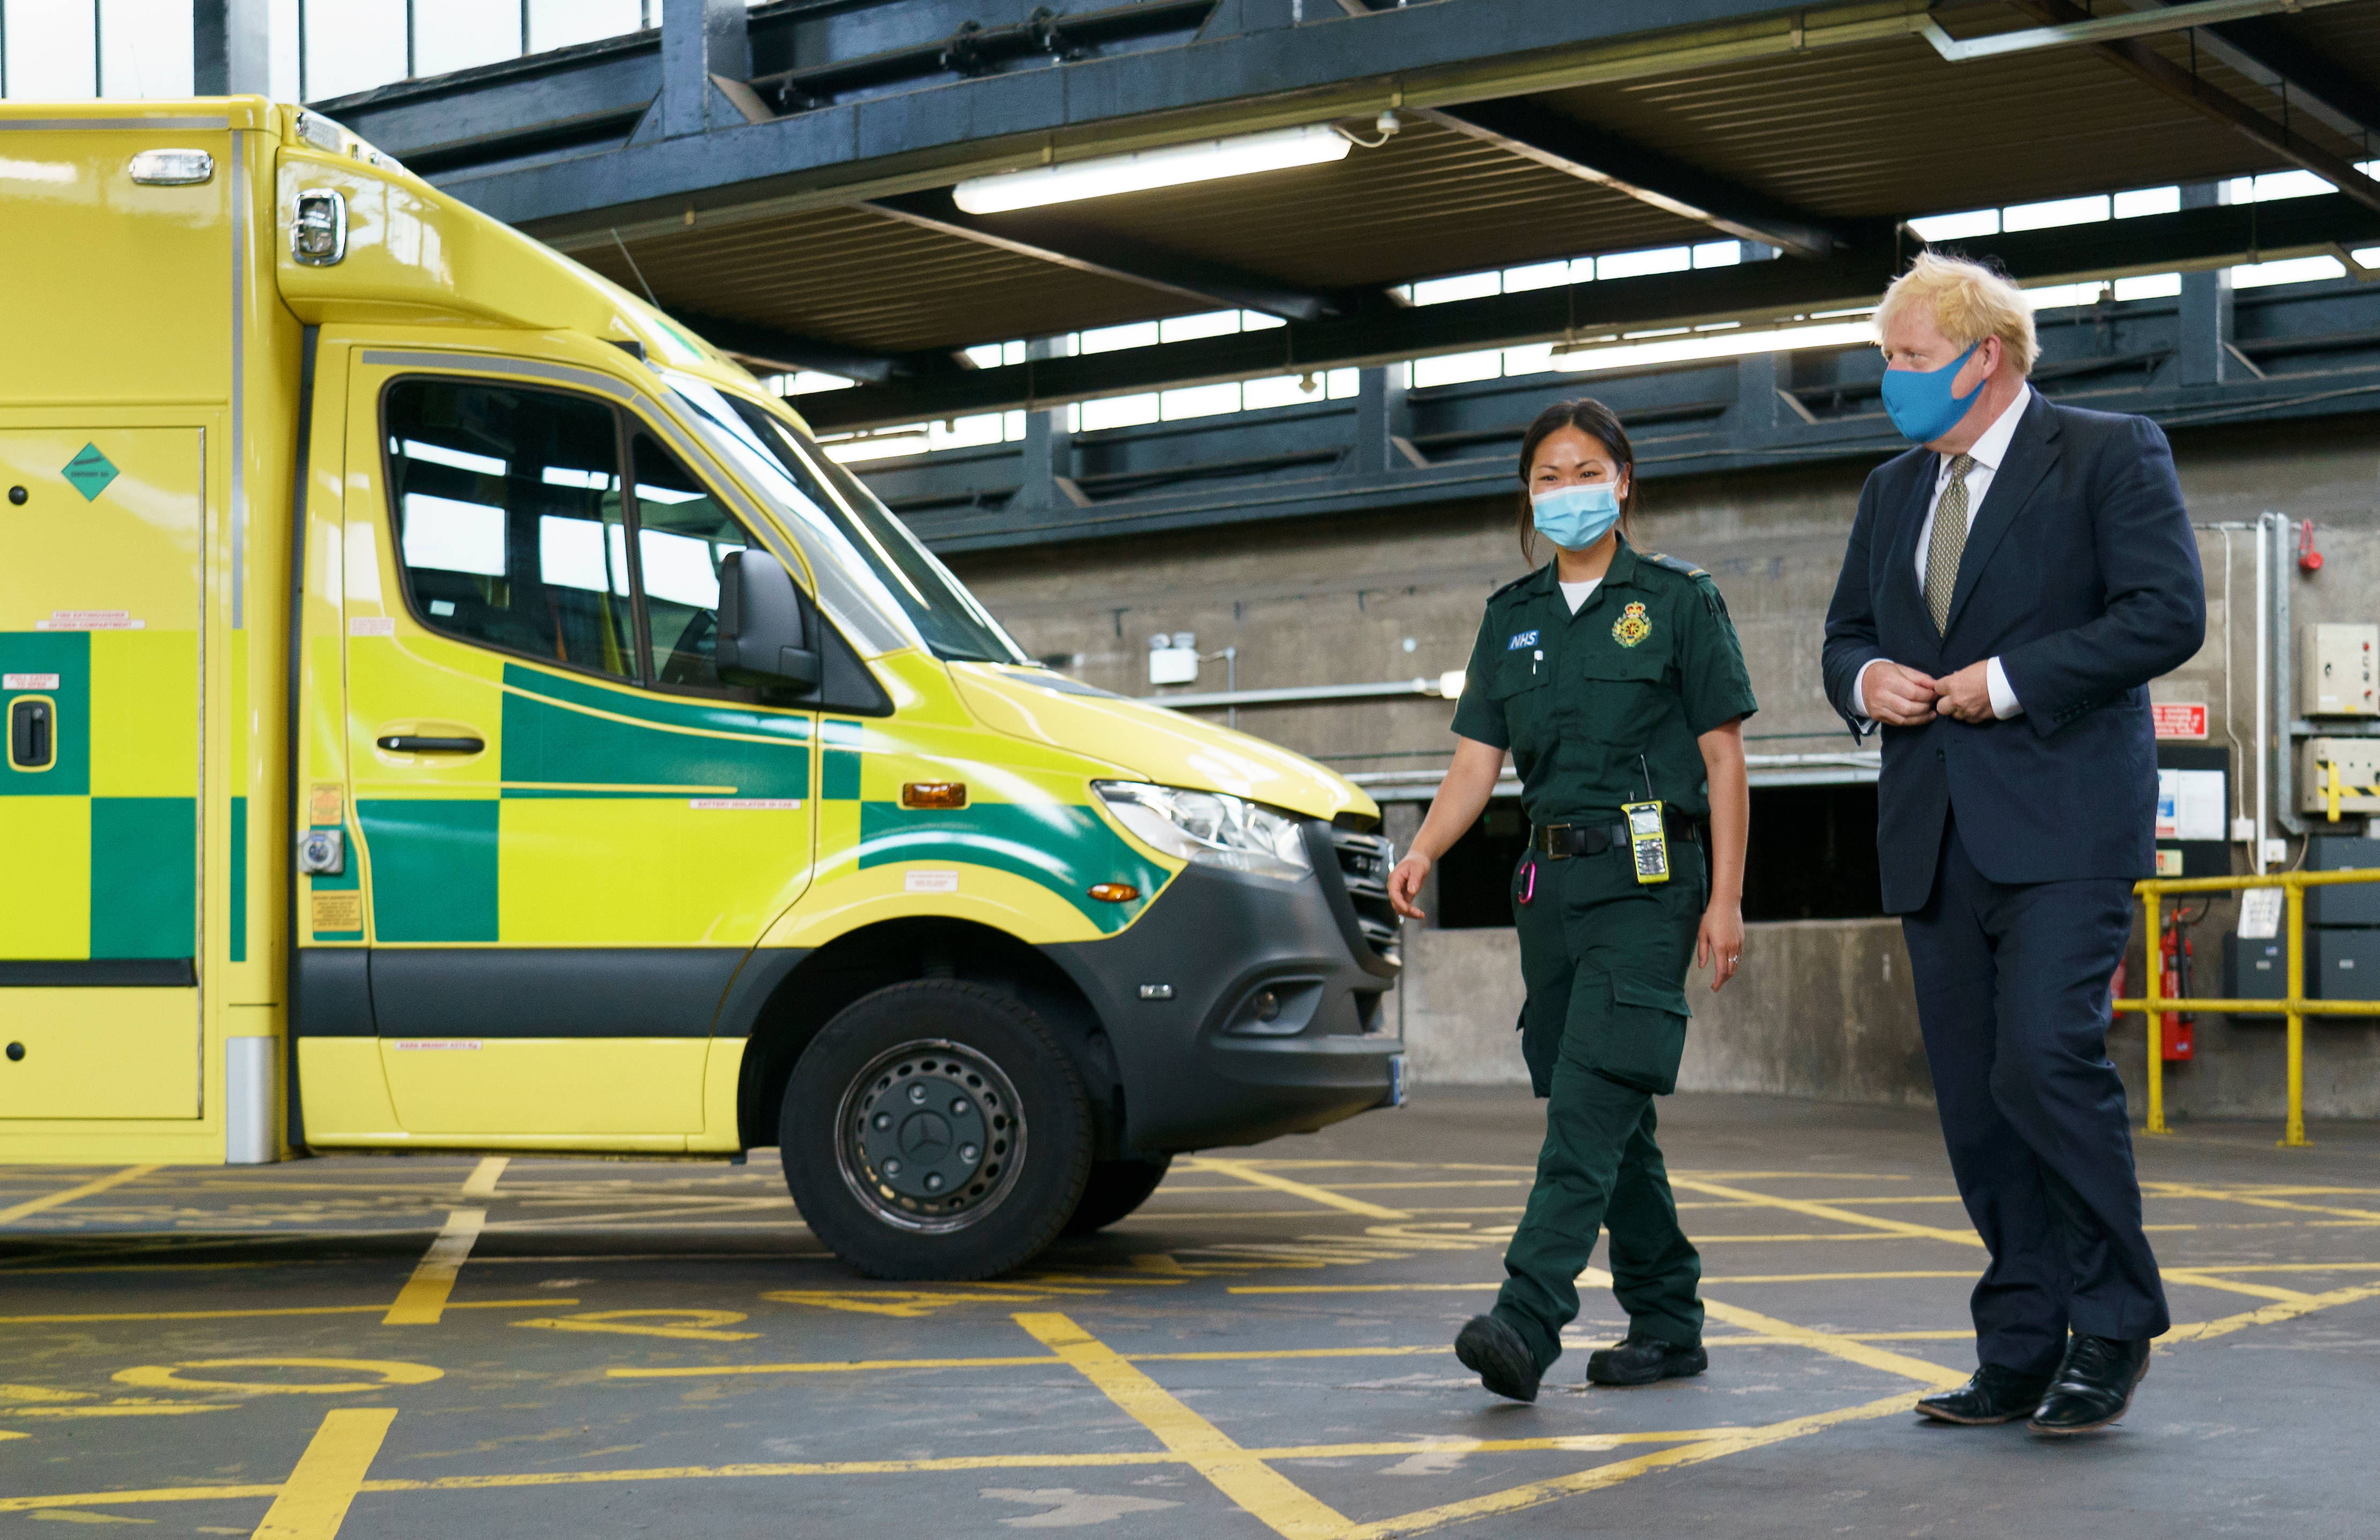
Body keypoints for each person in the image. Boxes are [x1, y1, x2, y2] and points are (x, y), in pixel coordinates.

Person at [1821, 252, 2204, 1435]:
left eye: (1908, 356)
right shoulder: (1892, 490)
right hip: (1933, 834)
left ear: (1983, 356)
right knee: (1978, 1108)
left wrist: (2010, 680)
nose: (1888, 376)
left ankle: (2114, 1323)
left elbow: (2165, 613)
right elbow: (1843, 634)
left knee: (2045, 1062)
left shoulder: (2107, 452)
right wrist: (1864, 681)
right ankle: (2022, 1342)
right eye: (1886, 356)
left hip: (2064, 827)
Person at [1387, 398, 1756, 1403]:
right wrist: (1423, 848)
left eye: (1587, 472)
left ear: (1623, 482)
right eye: (1548, 477)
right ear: (1528, 494)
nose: (1568, 492)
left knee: (1589, 1107)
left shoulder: (1678, 600)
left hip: (1650, 884)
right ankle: (1668, 1319)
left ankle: (1528, 1315)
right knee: (1606, 1103)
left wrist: (1726, 899)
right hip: (1549, 888)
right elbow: (1476, 763)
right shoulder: (1511, 617)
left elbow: (1725, 759)